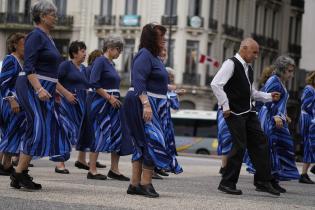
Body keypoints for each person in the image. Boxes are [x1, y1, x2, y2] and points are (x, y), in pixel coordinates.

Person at [10, 0, 72, 190]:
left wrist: (57, 90)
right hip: (32, 85)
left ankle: (19, 173)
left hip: (45, 87)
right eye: (53, 14)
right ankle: (19, 173)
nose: (56, 17)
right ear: (43, 16)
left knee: (37, 129)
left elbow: (51, 72)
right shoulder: (36, 35)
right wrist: (39, 88)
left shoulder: (47, 37)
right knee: (36, 128)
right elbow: (29, 67)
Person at [211, 38, 281, 196]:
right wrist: (225, 105)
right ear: (244, 48)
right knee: (240, 145)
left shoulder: (248, 69)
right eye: (254, 52)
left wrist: (269, 96)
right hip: (234, 112)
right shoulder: (231, 64)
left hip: (248, 111)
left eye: (257, 53)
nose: (256, 56)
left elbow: (252, 93)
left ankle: (263, 181)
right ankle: (227, 183)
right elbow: (215, 84)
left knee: (261, 142)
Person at [124, 23, 183, 198]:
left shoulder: (153, 57)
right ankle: (145, 183)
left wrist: (170, 89)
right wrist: (146, 104)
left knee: (143, 143)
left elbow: (154, 82)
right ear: (152, 39)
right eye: (161, 37)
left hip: (154, 103)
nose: (164, 40)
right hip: (147, 103)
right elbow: (138, 81)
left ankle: (134, 184)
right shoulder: (144, 55)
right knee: (153, 142)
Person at [87, 35, 131, 181]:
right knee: (99, 132)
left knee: (118, 134)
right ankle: (92, 170)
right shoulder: (100, 61)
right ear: (111, 48)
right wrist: (109, 97)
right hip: (102, 102)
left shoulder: (111, 64)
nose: (120, 53)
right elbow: (93, 82)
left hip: (114, 102)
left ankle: (114, 169)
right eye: (119, 50)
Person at [258, 56, 299, 188]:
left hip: (277, 119)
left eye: (292, 71)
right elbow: (265, 99)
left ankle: (274, 179)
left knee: (280, 148)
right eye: (289, 71)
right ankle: (267, 180)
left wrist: (283, 115)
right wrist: (274, 115)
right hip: (270, 119)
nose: (291, 75)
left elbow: (279, 102)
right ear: (281, 70)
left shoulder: (279, 81)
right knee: (272, 148)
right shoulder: (274, 80)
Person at [51, 41, 89, 174]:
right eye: (82, 51)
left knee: (78, 132)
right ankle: (60, 163)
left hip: (81, 105)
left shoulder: (84, 69)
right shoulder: (66, 65)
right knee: (65, 130)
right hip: (66, 104)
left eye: (85, 51)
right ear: (74, 53)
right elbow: (54, 81)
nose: (85, 54)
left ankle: (81, 160)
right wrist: (65, 94)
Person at [74, 49, 107, 170]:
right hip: (93, 97)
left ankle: (83, 159)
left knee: (87, 128)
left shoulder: (87, 69)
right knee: (93, 129)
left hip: (88, 98)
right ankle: (89, 160)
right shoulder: (94, 69)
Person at [0, 33, 26, 176]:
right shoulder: (10, 59)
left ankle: (6, 163)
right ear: (15, 44)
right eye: (24, 44)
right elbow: (3, 83)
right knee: (9, 133)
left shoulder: (20, 61)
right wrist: (12, 99)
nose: (26, 47)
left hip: (16, 102)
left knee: (13, 132)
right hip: (9, 103)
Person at [299, 71, 315, 184]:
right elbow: (306, 105)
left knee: (309, 145)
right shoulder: (309, 89)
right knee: (309, 144)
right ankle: (304, 174)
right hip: (308, 119)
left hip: (310, 118)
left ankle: (305, 173)